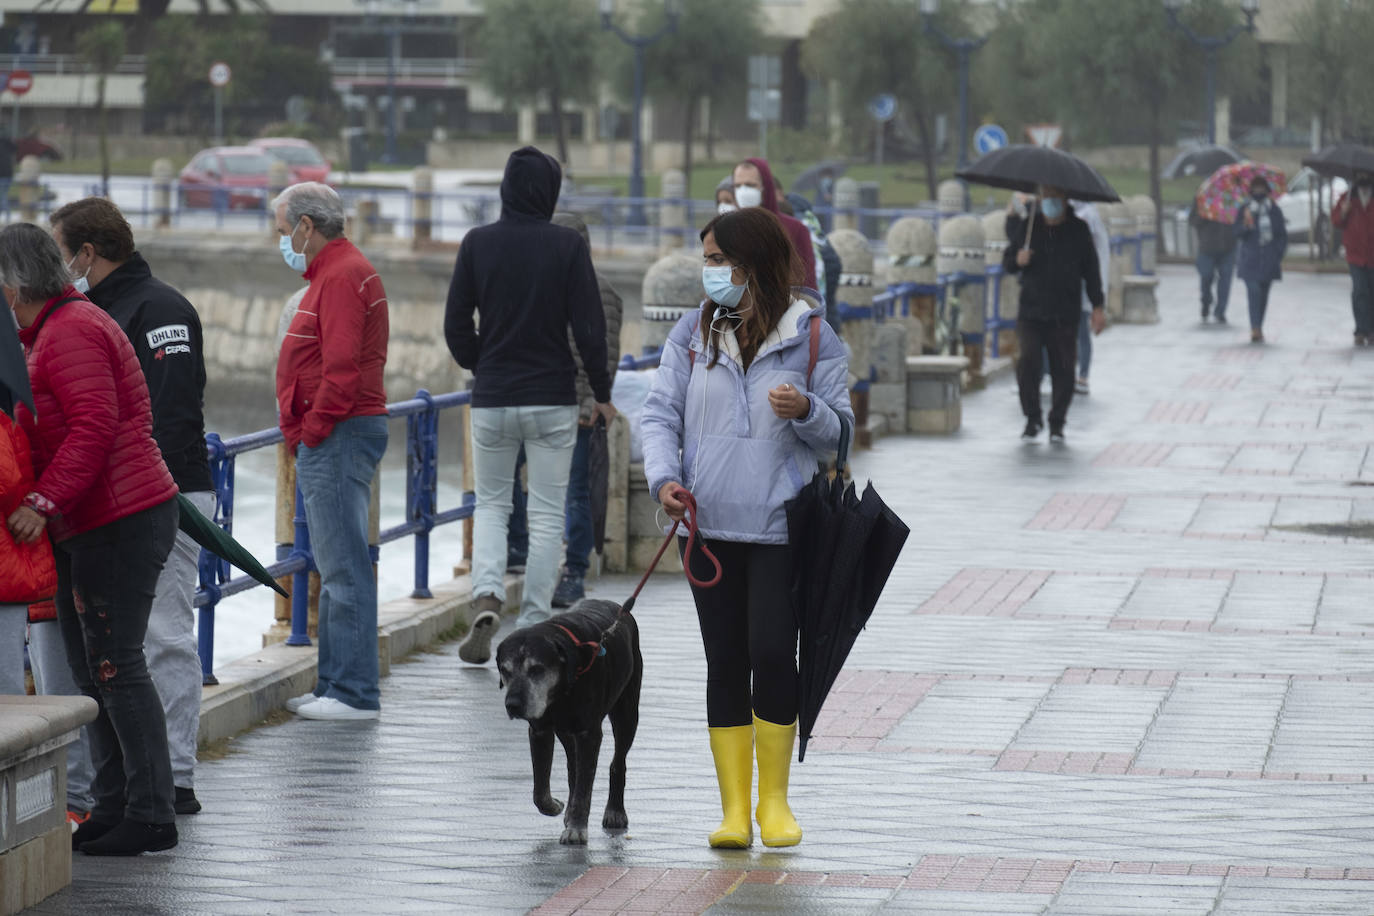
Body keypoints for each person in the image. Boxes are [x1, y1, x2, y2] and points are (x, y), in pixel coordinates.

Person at [640, 206, 853, 849]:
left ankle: (775, 803)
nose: (707, 273)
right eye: (705, 260)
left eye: (715, 261)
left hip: (780, 528)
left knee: (770, 653)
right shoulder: (691, 335)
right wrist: (663, 480)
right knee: (724, 661)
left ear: (752, 262)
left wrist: (807, 408)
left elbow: (840, 435)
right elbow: (658, 415)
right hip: (707, 527)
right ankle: (734, 810)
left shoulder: (813, 337)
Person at [3, 222, 181, 856]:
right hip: (95, 518)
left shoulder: (71, 330)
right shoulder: (51, 329)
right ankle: (115, 804)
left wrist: (42, 501)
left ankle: (153, 813)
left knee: (116, 666)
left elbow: (94, 426)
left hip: (119, 519)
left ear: (15, 283)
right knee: (90, 670)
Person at [50, 198, 213, 815]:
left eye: (62, 247)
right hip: (122, 500)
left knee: (165, 635)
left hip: (164, 495)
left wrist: (152, 497)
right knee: (120, 646)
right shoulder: (93, 309)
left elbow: (169, 415)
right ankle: (132, 781)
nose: (60, 260)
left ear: (87, 252)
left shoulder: (159, 309)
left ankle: (174, 778)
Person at [443, 147, 615, 664]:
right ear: (550, 191)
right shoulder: (566, 246)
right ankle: (536, 621)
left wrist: (483, 363)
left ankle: (488, 596)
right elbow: (590, 327)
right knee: (545, 512)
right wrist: (602, 393)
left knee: (492, 505)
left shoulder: (477, 243)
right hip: (552, 399)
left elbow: (456, 325)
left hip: (494, 397)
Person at [273, 182, 390, 721]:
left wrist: (311, 431)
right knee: (339, 565)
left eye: (283, 230)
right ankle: (334, 685)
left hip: (338, 435)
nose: (282, 241)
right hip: (340, 432)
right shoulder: (338, 272)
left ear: (306, 226)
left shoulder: (341, 277)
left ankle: (352, 692)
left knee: (342, 570)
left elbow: (340, 369)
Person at [550, 211, 621, 608]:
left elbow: (601, 351)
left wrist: (591, 399)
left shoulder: (587, 290)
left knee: (571, 492)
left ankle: (573, 570)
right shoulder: (602, 289)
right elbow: (608, 353)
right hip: (571, 403)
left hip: (571, 404)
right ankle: (568, 569)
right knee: (569, 492)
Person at [1003, 186, 1105, 443]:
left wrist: (1098, 306)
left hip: (1064, 311)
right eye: (1046, 197)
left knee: (1064, 368)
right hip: (1031, 310)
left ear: (1064, 199)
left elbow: (1091, 270)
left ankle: (1057, 421)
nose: (1050, 202)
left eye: (1055, 198)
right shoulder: (1029, 227)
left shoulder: (1078, 230)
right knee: (1028, 361)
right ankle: (1032, 417)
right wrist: (1018, 259)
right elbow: (1007, 261)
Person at [0, 411, 56, 696]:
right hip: (10, 569)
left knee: (5, 688)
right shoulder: (7, 423)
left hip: (6, 572)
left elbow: (6, 482)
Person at [732, 158, 817, 290]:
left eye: (750, 185)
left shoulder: (795, 229)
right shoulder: (727, 229)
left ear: (765, 187)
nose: (743, 191)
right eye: (738, 186)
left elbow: (808, 286)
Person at [1236, 176, 1288, 344]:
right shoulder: (1245, 209)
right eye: (1256, 188)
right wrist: (1245, 224)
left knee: (1263, 295)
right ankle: (1255, 327)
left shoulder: (1274, 210)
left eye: (1261, 188)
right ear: (1251, 190)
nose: (1259, 191)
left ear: (1267, 190)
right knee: (1254, 292)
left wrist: (1277, 253)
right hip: (1250, 260)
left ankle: (1259, 326)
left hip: (1269, 260)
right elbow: (1237, 233)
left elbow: (1281, 235)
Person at [1071, 199, 1111, 395]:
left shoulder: (1087, 217)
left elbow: (1090, 261)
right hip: (1073, 281)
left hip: (1083, 283)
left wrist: (1098, 306)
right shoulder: (1082, 214)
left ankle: (1083, 375)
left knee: (1080, 331)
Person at [1331, 170, 1374, 346]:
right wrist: (1343, 212)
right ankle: (1361, 329)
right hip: (1355, 254)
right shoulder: (1347, 198)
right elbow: (1336, 222)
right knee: (1359, 291)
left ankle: (1371, 329)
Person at [1190, 201, 1237, 324]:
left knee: (1225, 279)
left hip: (1228, 247)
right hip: (1207, 247)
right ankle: (1206, 301)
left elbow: (1240, 221)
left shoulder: (1233, 199)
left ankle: (1220, 311)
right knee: (1206, 275)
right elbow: (1193, 221)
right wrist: (1206, 214)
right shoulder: (1203, 198)